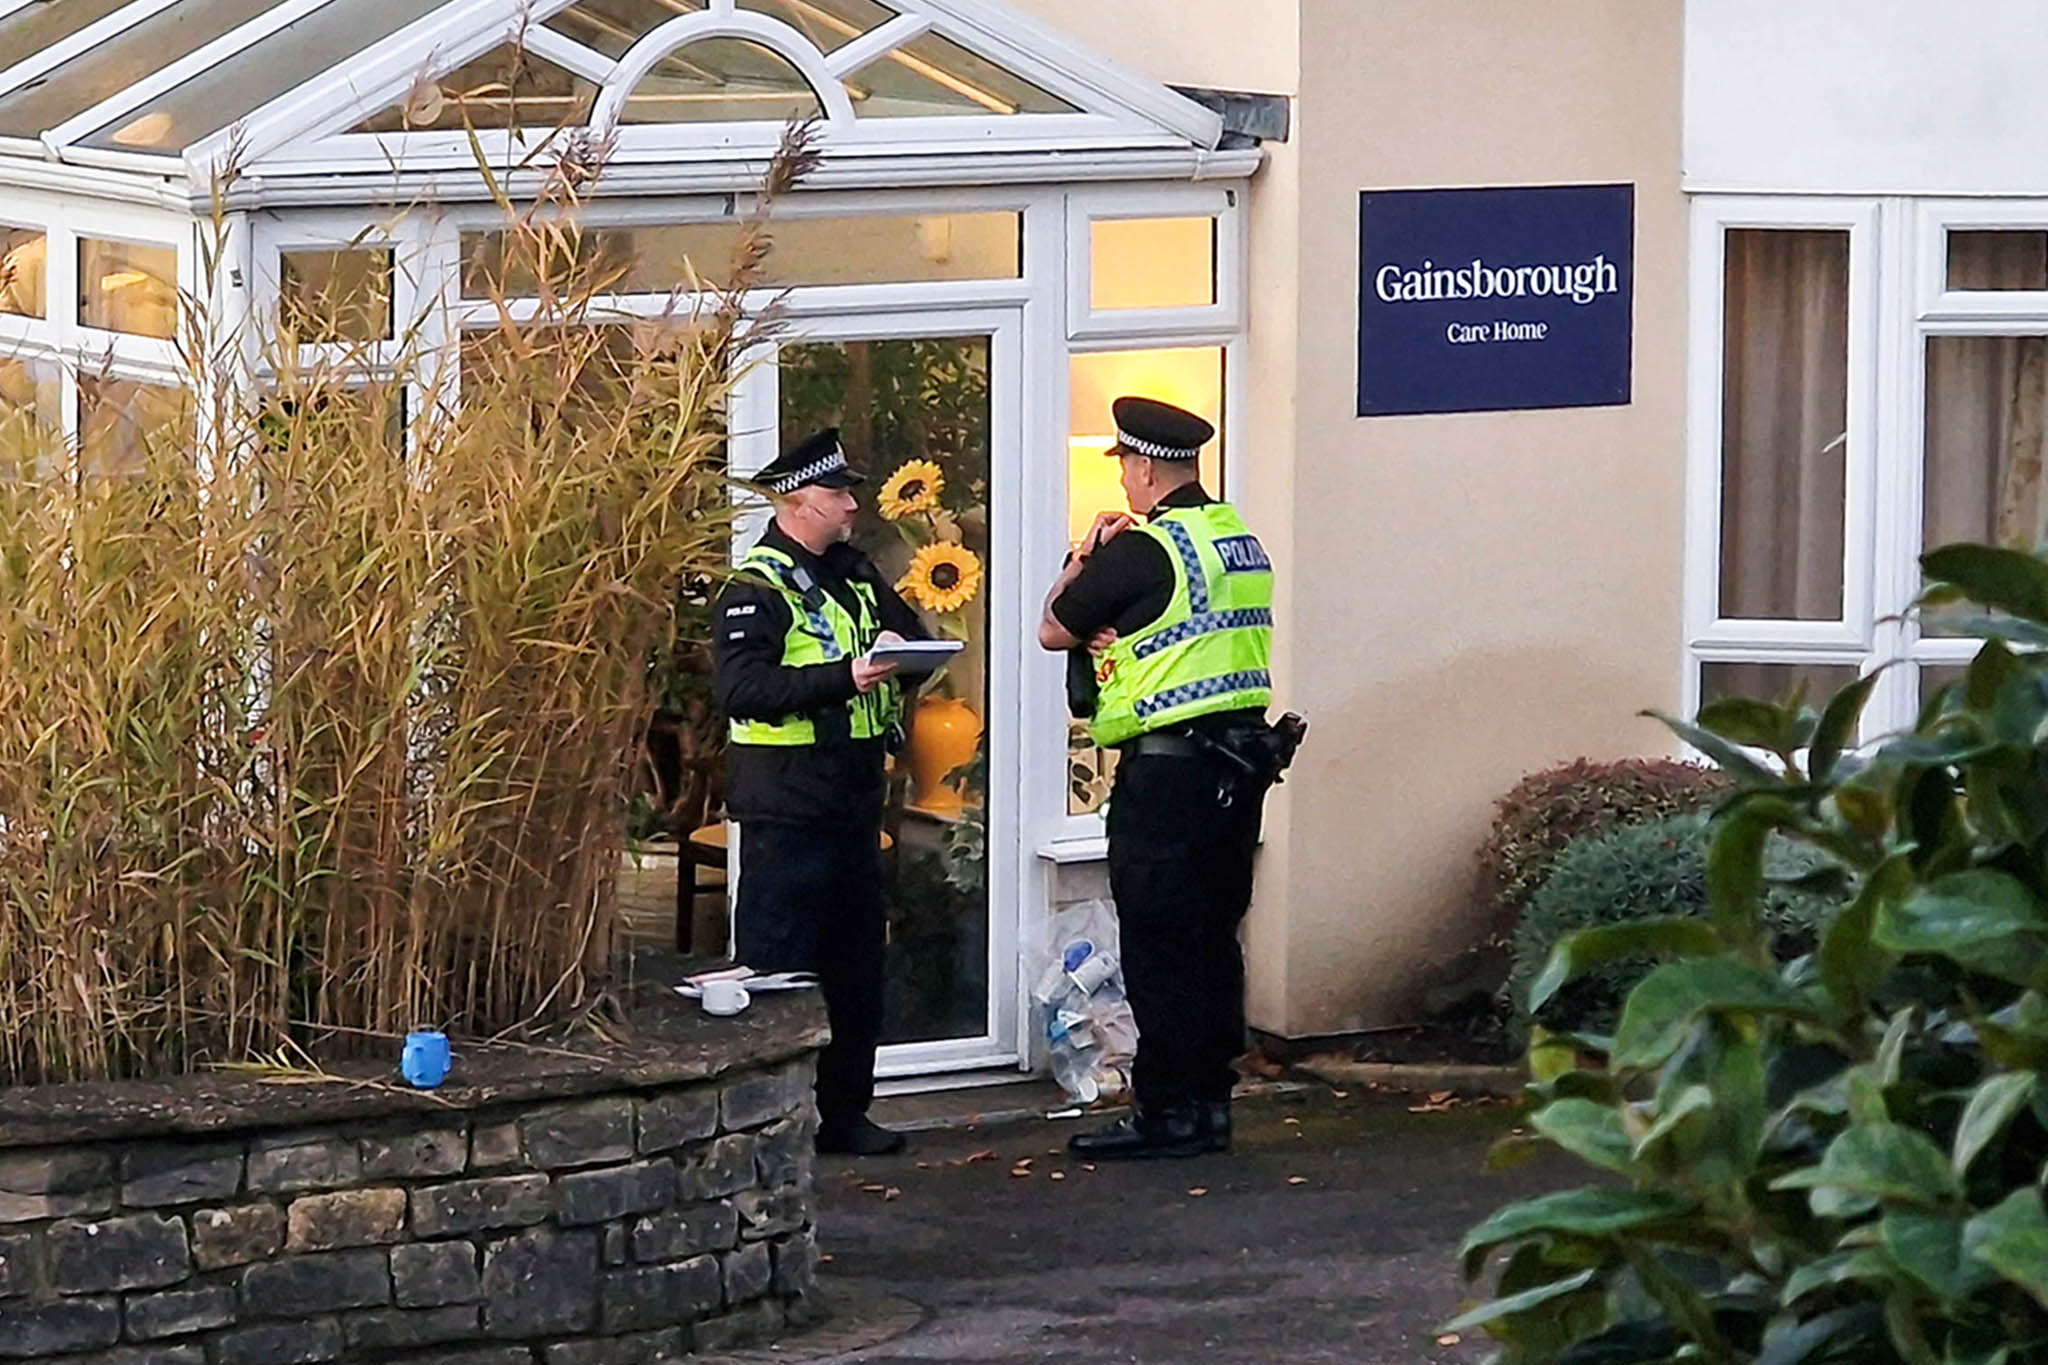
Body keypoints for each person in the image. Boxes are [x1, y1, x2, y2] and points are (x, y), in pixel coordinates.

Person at [1037, 396, 1279, 1160]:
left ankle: (1166, 1110)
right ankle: (1210, 1103)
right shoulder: (1238, 538)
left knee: (1161, 945)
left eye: (1127, 469)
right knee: (1214, 940)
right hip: (1238, 774)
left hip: (1167, 777)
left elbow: (1053, 627)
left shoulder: (1145, 551)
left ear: (1142, 468)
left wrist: (1085, 556)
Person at [712, 428, 934, 1157]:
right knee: (777, 970)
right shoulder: (755, 586)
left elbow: (909, 639)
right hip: (786, 806)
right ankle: (768, 1129)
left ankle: (845, 1114)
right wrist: (846, 677)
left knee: (855, 969)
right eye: (839, 493)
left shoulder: (853, 572)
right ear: (798, 502)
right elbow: (743, 690)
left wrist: (910, 661)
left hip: (852, 799)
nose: (852, 504)